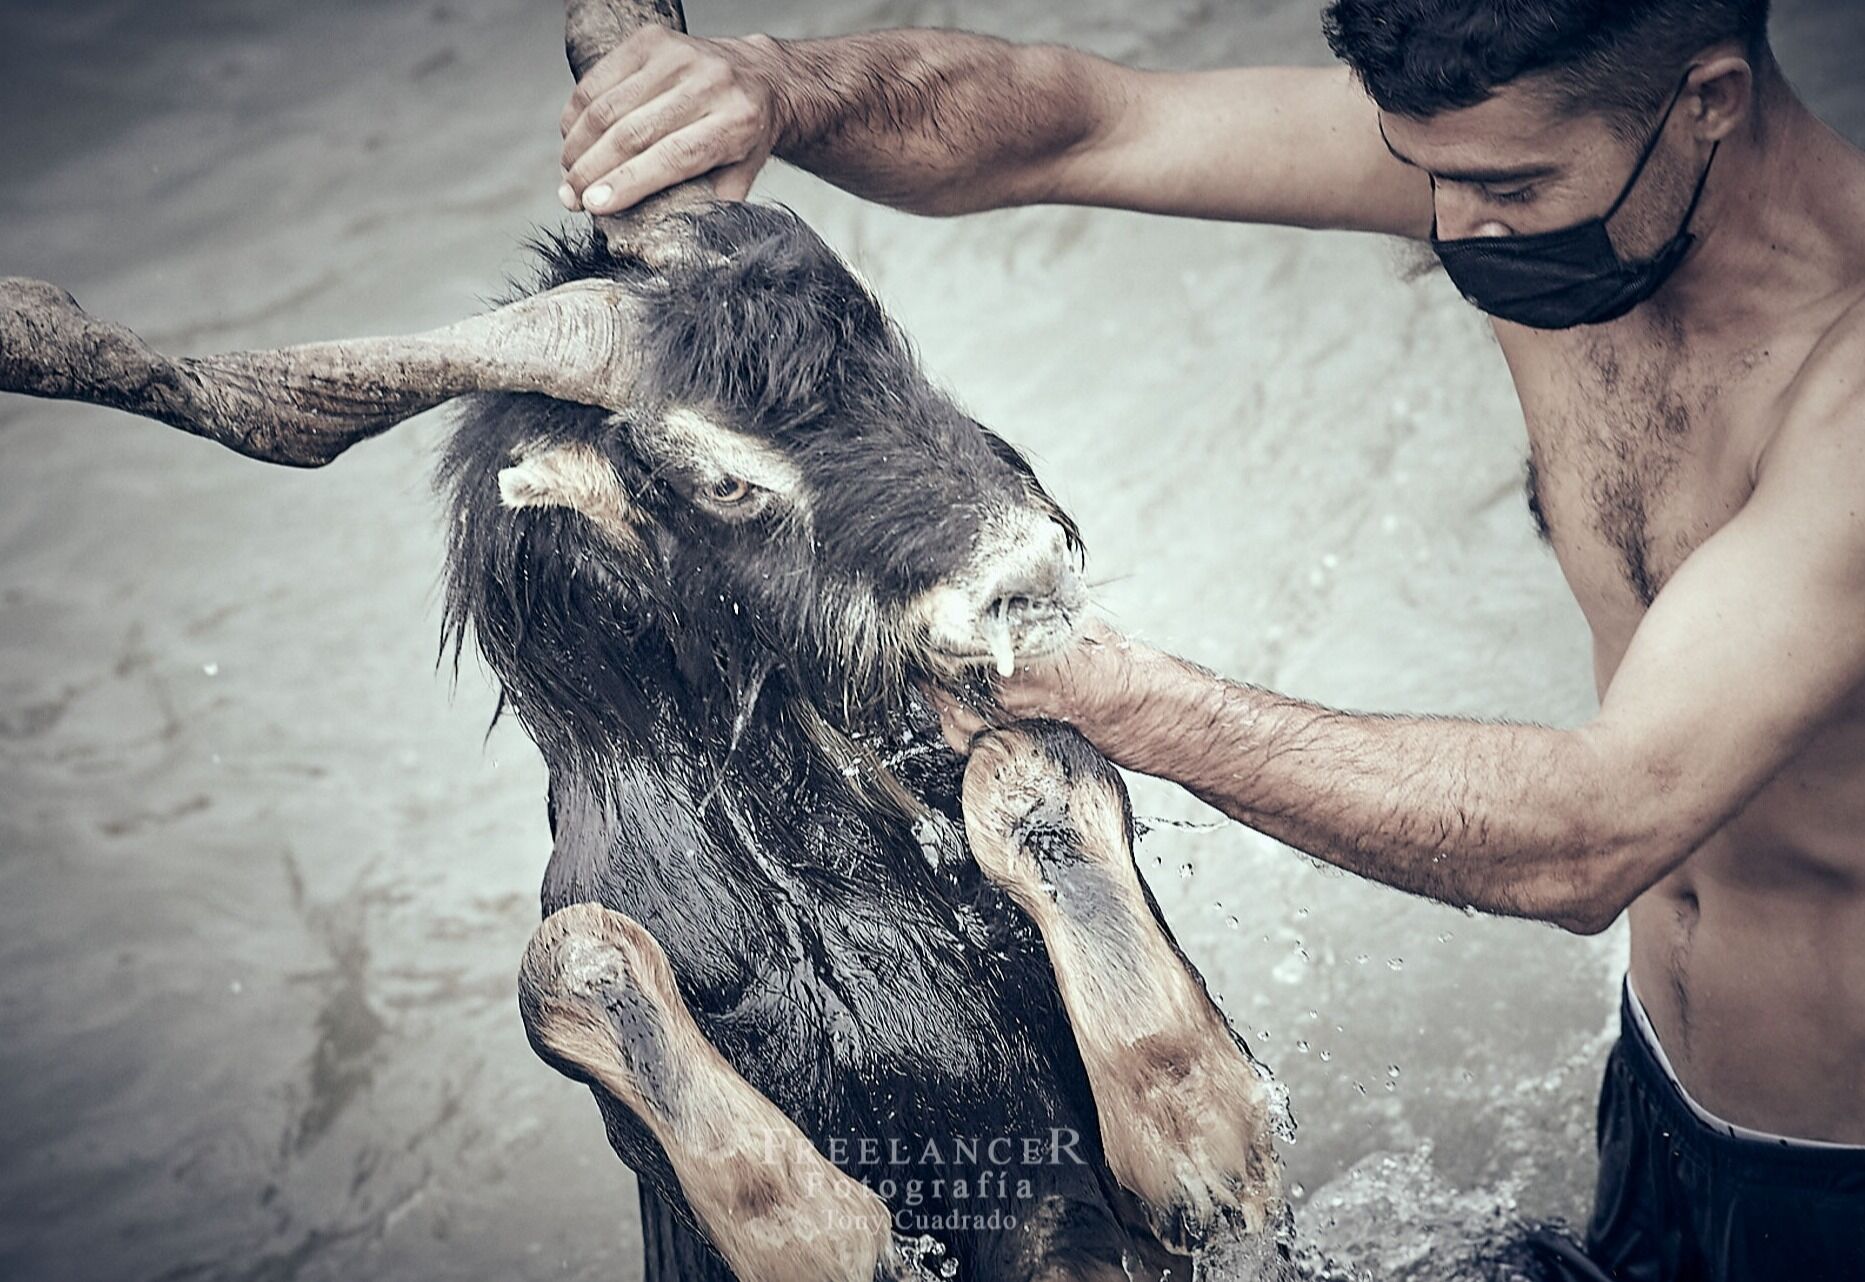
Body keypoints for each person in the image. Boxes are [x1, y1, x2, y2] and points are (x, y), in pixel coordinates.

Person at [555, 3, 1865, 1277]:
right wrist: (776, 86)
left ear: (1708, 102)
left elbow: (1596, 830)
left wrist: (1104, 686)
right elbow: (1072, 127)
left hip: (1835, 1172)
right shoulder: (1525, 161)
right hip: (1655, 1091)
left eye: (1506, 187)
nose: (1452, 224)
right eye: (1427, 176)